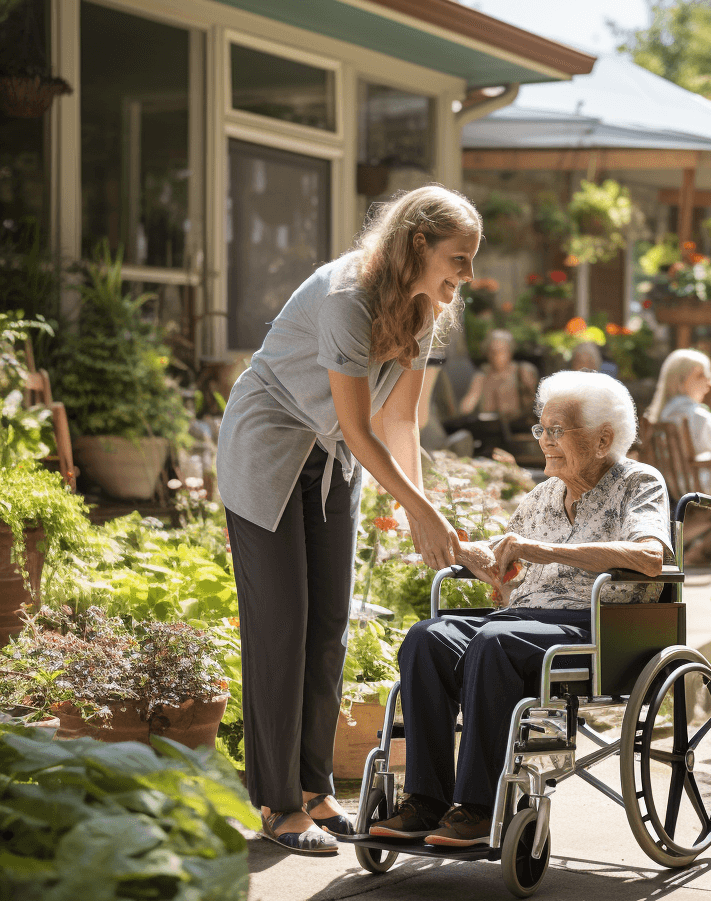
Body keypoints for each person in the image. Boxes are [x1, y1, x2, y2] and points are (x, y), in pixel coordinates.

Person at [217, 185, 498, 855]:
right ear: (420, 244)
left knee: (330, 626)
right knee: (280, 625)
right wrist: (416, 509)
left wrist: (429, 513)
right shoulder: (347, 296)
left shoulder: (428, 307)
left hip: (334, 457)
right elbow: (357, 425)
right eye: (459, 259)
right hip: (269, 448)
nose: (467, 274)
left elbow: (399, 420)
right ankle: (279, 805)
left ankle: (314, 788)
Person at [369, 371, 673, 846]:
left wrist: (541, 551)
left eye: (557, 430)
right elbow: (507, 563)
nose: (545, 441)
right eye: (542, 429)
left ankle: (478, 807)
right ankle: (426, 800)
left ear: (602, 439)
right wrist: (474, 557)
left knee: (494, 643)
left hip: (595, 626)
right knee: (426, 638)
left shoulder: (637, 482)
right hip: (521, 622)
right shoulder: (540, 496)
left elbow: (651, 557)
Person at [645, 349, 711, 500]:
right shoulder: (699, 415)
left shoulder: (664, 415)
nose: (708, 382)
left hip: (676, 486)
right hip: (705, 486)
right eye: (700, 375)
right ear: (680, 381)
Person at [458, 329, 537, 419]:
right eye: (492, 352)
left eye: (501, 351)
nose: (496, 355)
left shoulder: (523, 371)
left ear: (509, 352)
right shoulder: (482, 376)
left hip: (517, 425)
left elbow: (535, 404)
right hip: (491, 426)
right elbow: (466, 408)